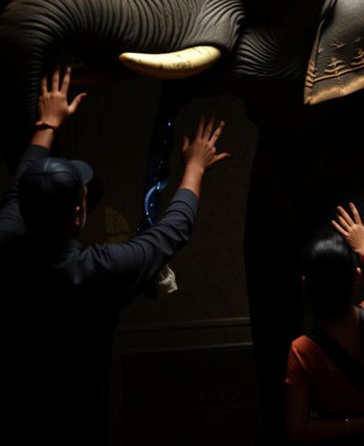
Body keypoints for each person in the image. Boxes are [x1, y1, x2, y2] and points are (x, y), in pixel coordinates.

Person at [0, 67, 230, 445]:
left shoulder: (7, 243)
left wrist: (48, 124)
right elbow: (174, 229)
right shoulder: (96, 272)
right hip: (84, 417)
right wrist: (194, 166)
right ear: (78, 213)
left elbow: (17, 184)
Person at [285, 203, 364, 445]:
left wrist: (360, 426)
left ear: (305, 285)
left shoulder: (301, 351)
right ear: (357, 277)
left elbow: (297, 430)